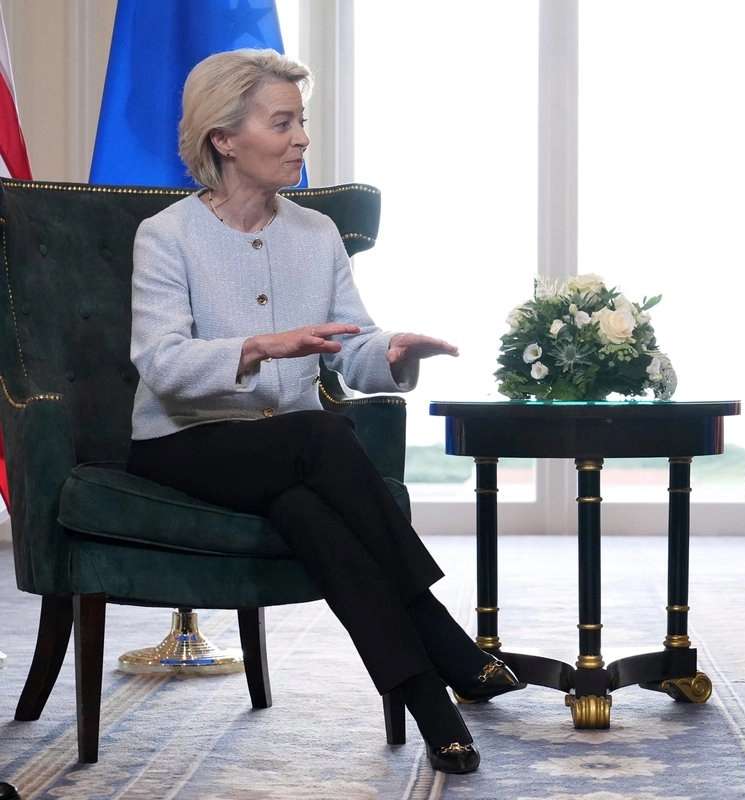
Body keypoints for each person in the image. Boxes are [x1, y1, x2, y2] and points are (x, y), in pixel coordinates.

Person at [126, 49, 522, 775]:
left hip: (291, 454)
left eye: (301, 121)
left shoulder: (316, 234)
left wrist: (392, 354)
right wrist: (260, 347)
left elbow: (350, 348)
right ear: (224, 138)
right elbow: (161, 365)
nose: (302, 138)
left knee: (309, 511)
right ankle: (446, 639)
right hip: (185, 443)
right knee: (320, 433)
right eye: (282, 123)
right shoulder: (167, 234)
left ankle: (434, 711)